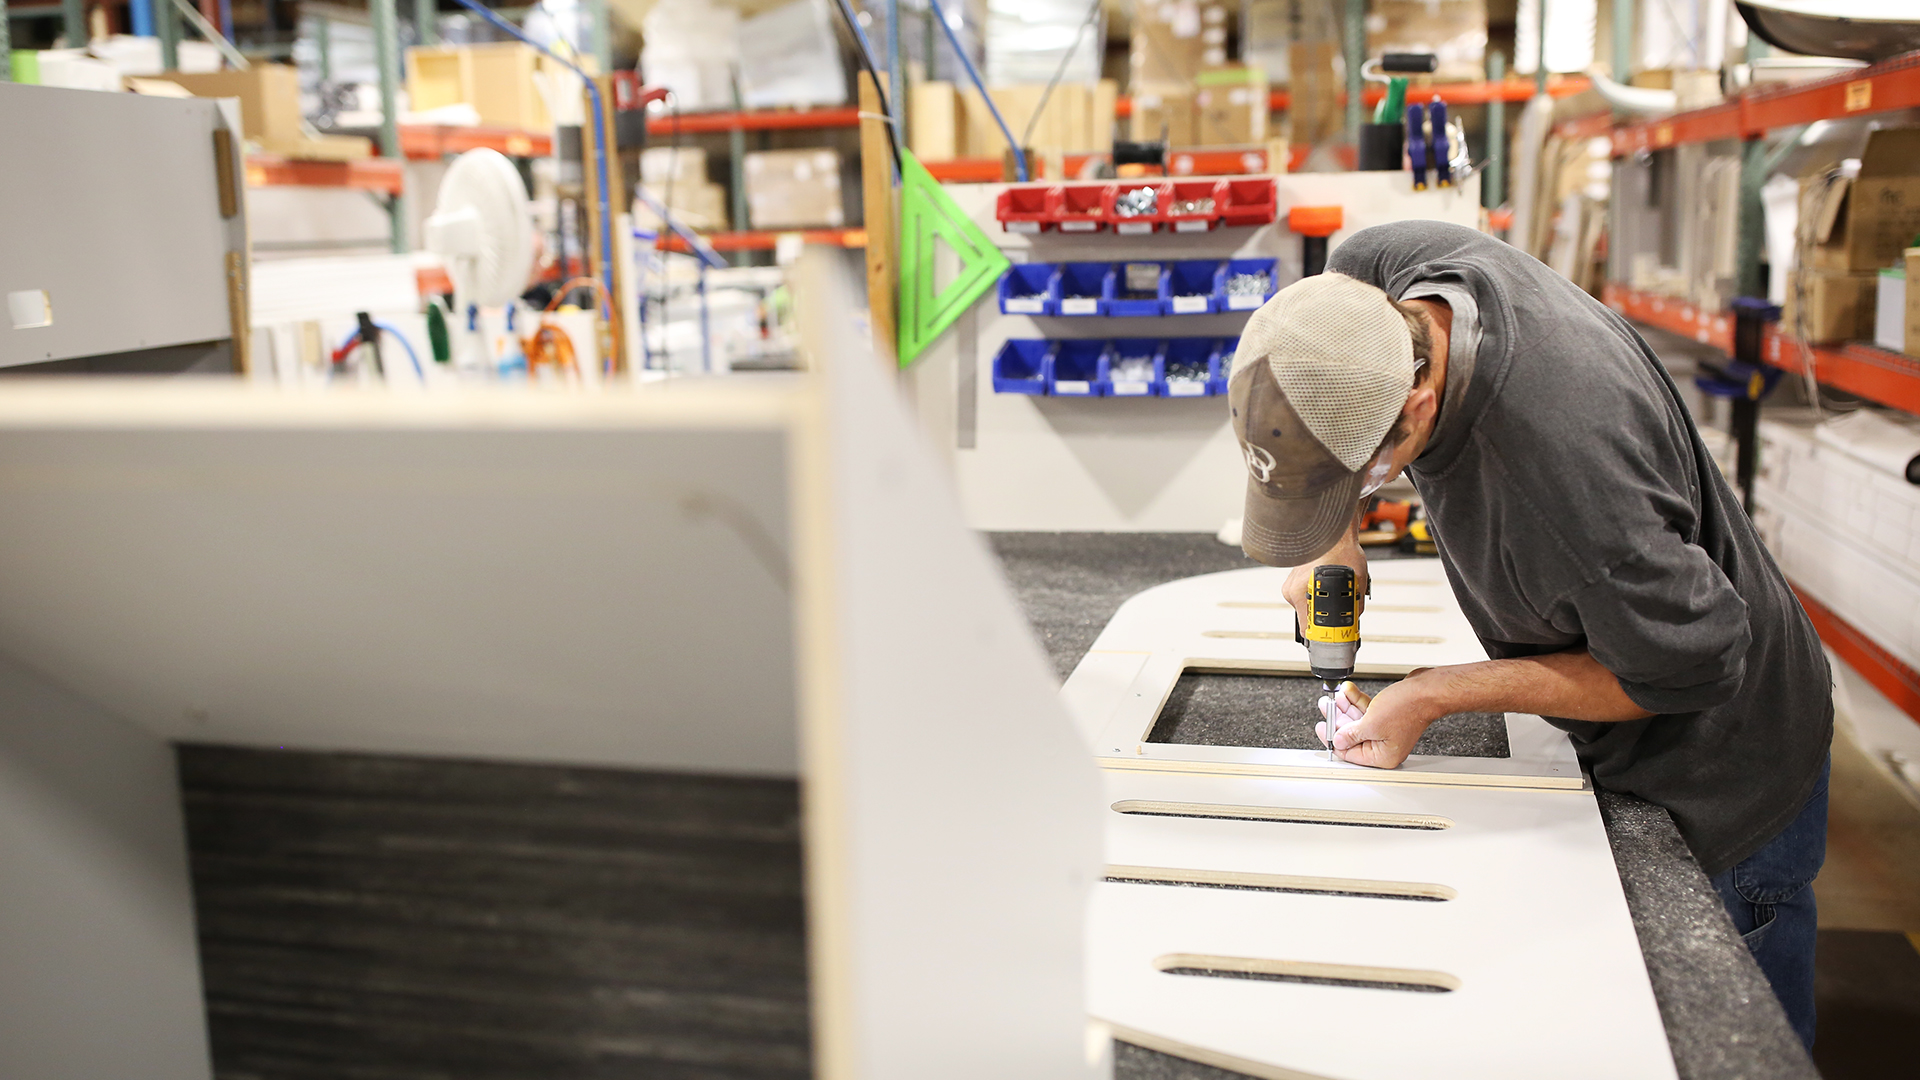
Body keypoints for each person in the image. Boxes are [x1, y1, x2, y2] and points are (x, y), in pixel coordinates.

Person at [1229, 220, 1832, 1049]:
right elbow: (1343, 299)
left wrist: (1434, 694)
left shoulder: (1564, 486)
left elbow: (1694, 666)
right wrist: (1335, 532)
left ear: (1417, 406)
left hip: (1723, 766)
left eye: (1358, 475)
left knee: (1718, 1046)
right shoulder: (1396, 276)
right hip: (1647, 654)